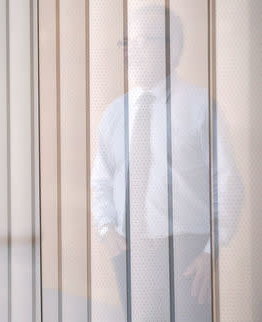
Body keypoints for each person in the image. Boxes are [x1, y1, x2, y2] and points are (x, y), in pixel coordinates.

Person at [91, 5, 242, 321]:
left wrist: (210, 251)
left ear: (173, 48)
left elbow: (226, 182)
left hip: (188, 253)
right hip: (131, 251)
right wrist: (107, 230)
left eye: (146, 39)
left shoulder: (200, 106)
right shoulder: (115, 114)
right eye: (129, 41)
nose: (134, 50)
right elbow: (101, 181)